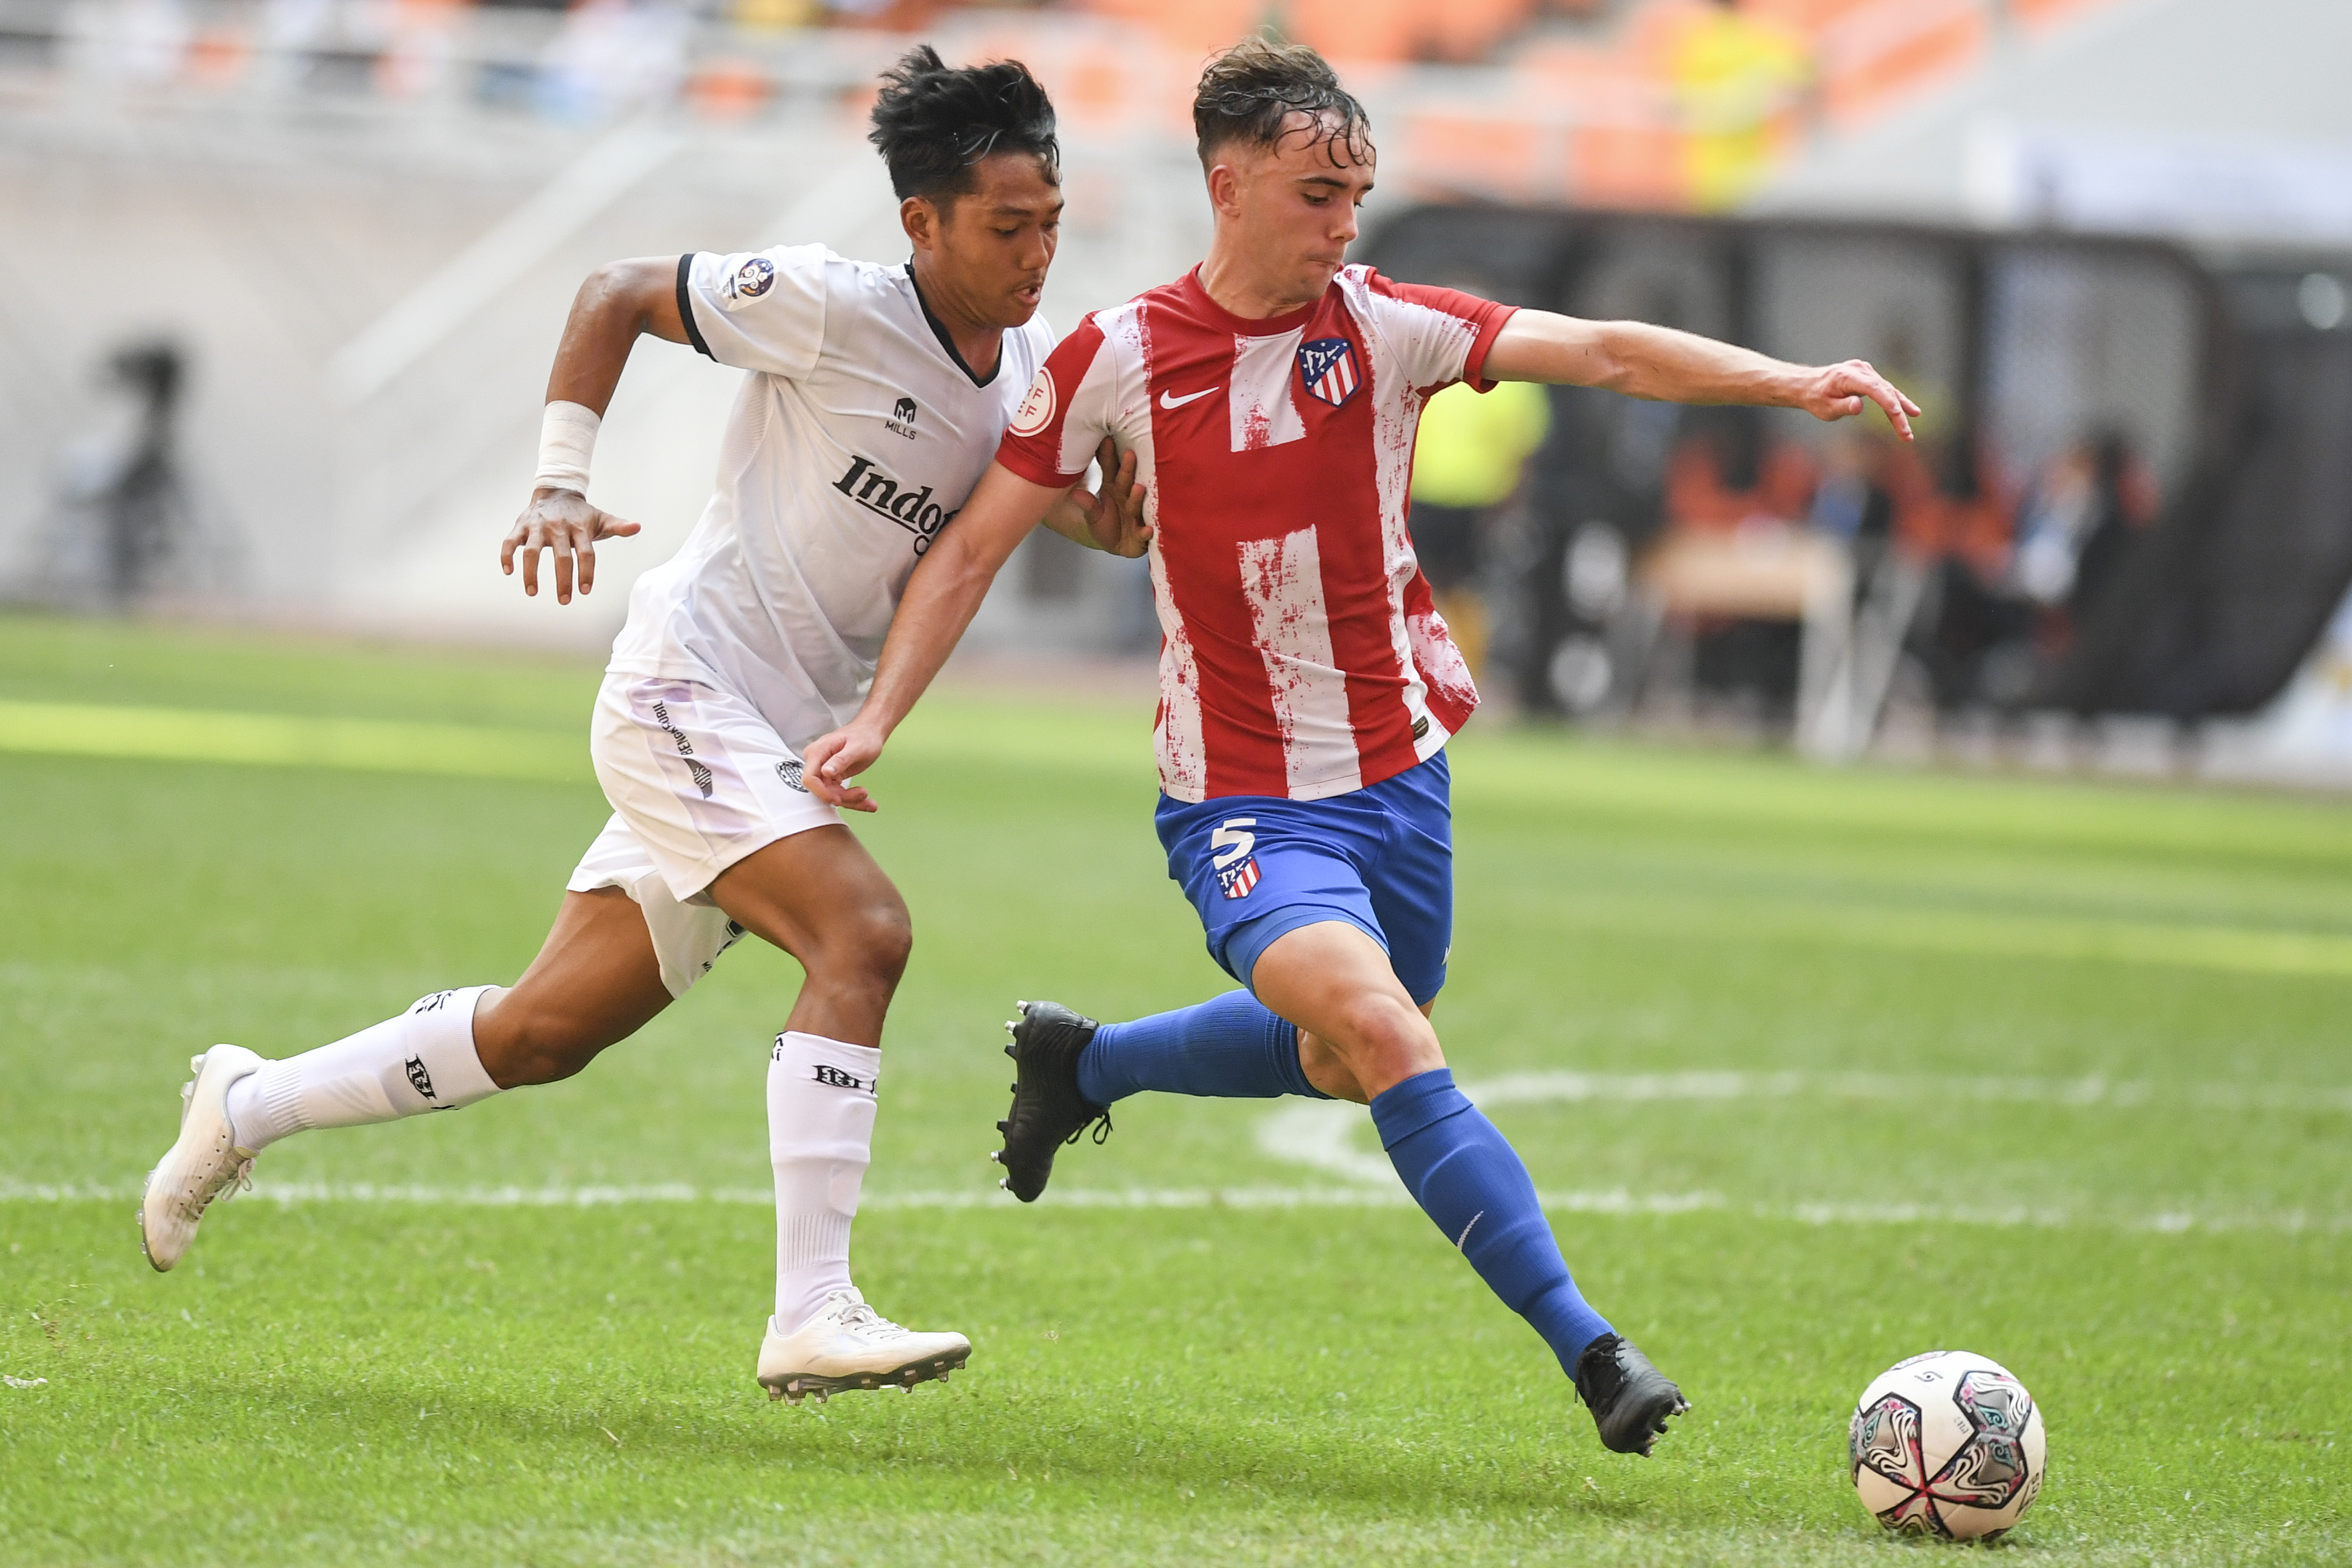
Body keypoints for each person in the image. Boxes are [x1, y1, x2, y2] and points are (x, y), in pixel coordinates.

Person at [799, 39, 1917, 1455]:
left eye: (1355, 196)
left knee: (1344, 1057)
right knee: (1386, 1033)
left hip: (1399, 776)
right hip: (1239, 800)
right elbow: (967, 551)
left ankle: (1087, 1066)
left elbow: (1604, 351)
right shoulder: (1115, 355)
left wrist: (1792, 381)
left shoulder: (1386, 328)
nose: (1343, 224)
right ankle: (1592, 1351)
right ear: (1228, 187)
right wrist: (876, 717)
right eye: (1316, 194)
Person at [138, 46, 1142, 1406]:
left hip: (773, 743)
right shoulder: (829, 305)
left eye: (1052, 223)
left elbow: (1017, 502)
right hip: (685, 689)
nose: (1037, 253)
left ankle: (244, 1102)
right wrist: (560, 479)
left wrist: (1105, 520)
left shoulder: (1025, 365)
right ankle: (811, 1308)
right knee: (862, 933)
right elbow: (614, 291)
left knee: (542, 1033)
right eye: (1008, 225)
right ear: (922, 221)